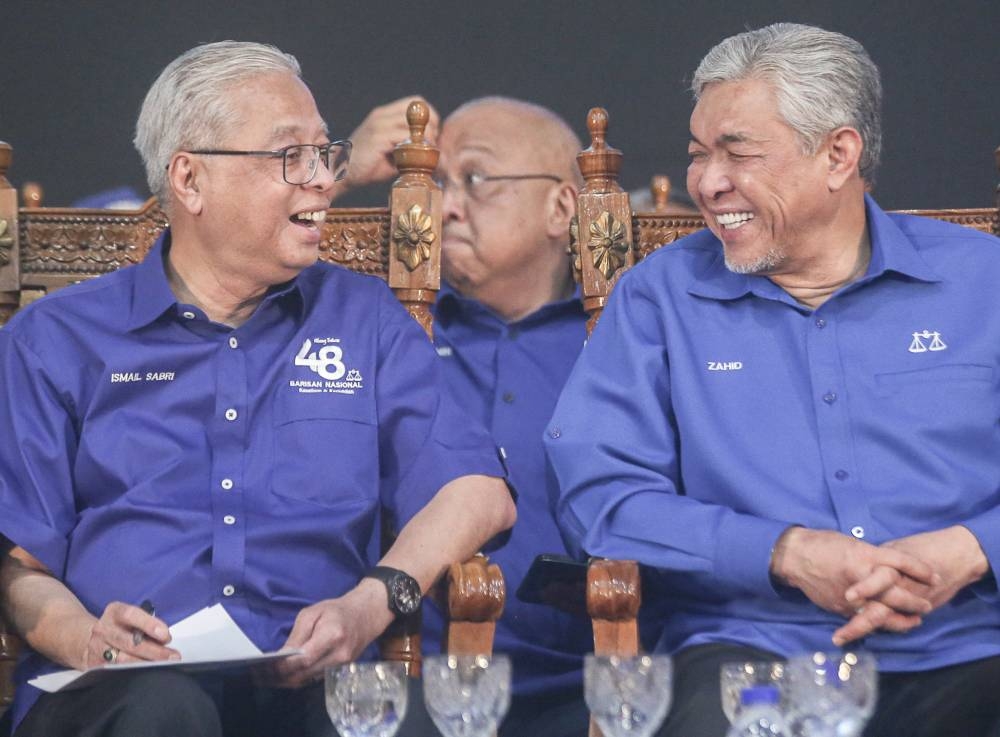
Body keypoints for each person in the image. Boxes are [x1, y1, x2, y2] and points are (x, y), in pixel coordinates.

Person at [0, 41, 515, 737]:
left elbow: (475, 489)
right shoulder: (56, 339)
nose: (322, 180)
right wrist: (84, 635)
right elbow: (17, 565)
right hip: (120, 692)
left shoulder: (363, 320)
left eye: (324, 153)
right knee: (166, 710)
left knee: (394, 719)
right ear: (189, 180)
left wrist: (370, 602)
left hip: (311, 679)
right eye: (288, 156)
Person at [544, 23, 1000, 737]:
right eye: (698, 154)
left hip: (973, 644)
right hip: (754, 655)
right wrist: (783, 552)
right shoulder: (659, 298)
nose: (707, 181)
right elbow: (599, 496)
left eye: (738, 153)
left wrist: (974, 549)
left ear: (838, 154)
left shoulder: (982, 282)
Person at [427, 97, 594, 737]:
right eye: (435, 182)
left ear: (561, 208)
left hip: (591, 679)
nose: (443, 206)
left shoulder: (622, 336)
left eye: (474, 180)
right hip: (415, 676)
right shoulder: (392, 325)